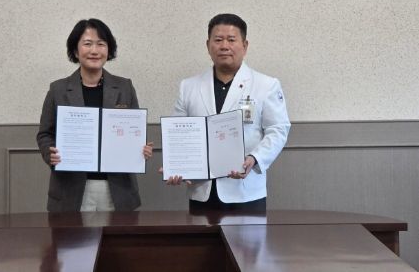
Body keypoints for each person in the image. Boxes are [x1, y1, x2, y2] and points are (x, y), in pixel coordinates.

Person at [167, 13, 290, 213]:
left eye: (231, 40)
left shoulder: (266, 85)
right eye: (218, 40)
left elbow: (278, 130)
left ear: (245, 45)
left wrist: (255, 158)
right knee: (199, 235)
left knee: (247, 236)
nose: (224, 46)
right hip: (202, 192)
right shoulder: (188, 86)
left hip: (245, 191)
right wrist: (175, 166)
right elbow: (178, 134)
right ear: (208, 45)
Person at [37, 18, 152, 212]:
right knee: (71, 233)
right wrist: (51, 154)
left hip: (117, 188)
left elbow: (134, 131)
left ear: (108, 50)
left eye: (101, 44)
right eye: (87, 44)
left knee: (118, 234)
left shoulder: (125, 87)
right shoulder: (58, 89)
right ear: (75, 50)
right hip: (70, 188)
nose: (94, 50)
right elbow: (44, 134)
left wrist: (141, 149)